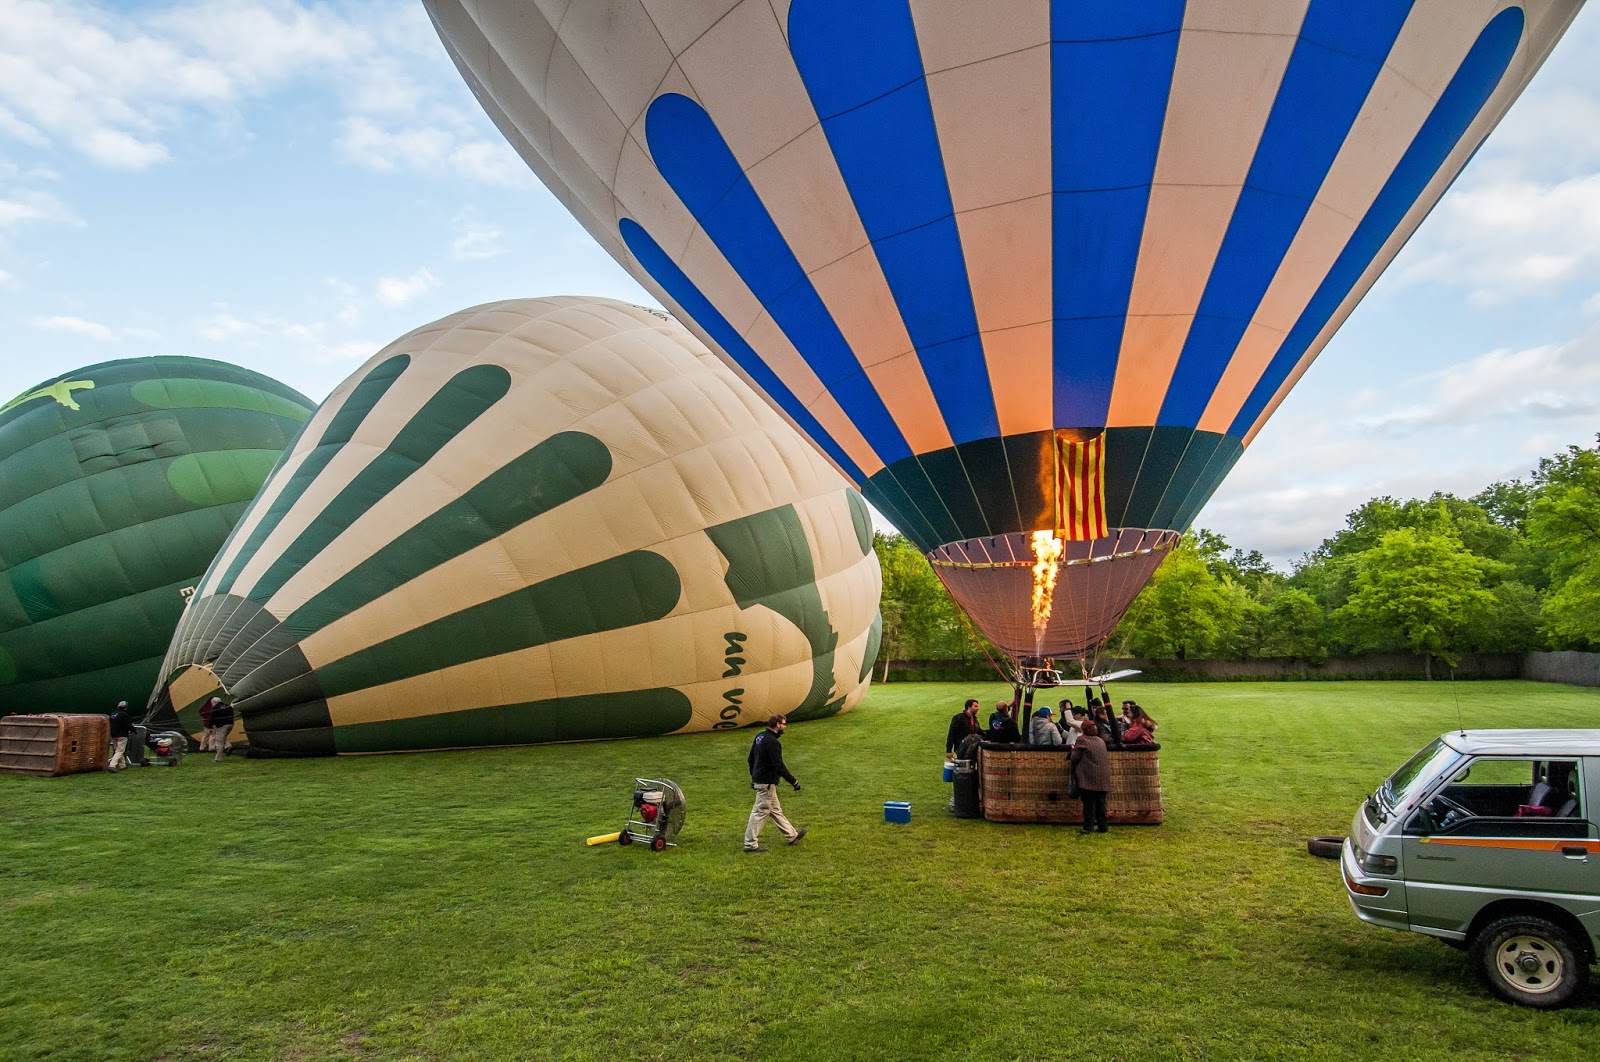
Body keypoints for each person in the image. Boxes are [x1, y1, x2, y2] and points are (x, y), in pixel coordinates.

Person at [745, 713, 804, 853]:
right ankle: (750, 844)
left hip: (761, 780)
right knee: (760, 812)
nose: (784, 727)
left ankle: (792, 836)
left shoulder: (760, 737)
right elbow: (779, 765)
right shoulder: (772, 742)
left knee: (775, 810)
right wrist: (793, 781)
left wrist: (754, 776)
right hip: (767, 783)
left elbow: (750, 758)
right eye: (783, 724)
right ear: (777, 724)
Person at [1071, 720, 1111, 834]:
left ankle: (1088, 827)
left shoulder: (1082, 740)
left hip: (1089, 777)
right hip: (1102, 777)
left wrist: (1073, 750)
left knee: (1089, 804)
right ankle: (1103, 826)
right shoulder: (1100, 741)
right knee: (1101, 803)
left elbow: (1075, 758)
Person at [206, 697, 235, 762]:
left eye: (212, 703)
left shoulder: (215, 708)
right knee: (222, 737)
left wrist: (210, 727)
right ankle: (228, 746)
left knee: (219, 741)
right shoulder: (228, 706)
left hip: (222, 726)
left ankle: (218, 758)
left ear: (214, 702)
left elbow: (211, 719)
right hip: (230, 724)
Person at [107, 701, 132, 771]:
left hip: (113, 734)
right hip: (122, 735)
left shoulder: (112, 714)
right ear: (126, 707)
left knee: (117, 750)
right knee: (120, 751)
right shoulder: (125, 715)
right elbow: (129, 725)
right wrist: (134, 730)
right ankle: (112, 765)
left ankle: (122, 765)